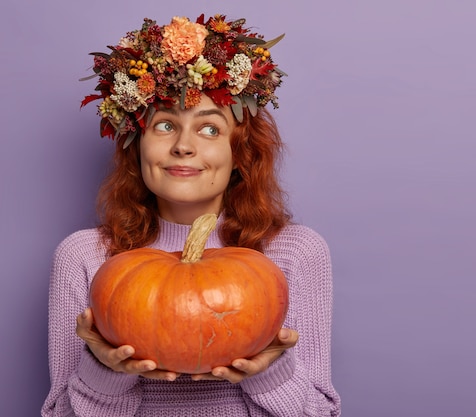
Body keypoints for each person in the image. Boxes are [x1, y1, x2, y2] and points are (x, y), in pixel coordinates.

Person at [41, 12, 341, 417]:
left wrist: (270, 369)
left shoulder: (295, 252)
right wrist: (103, 371)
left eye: (210, 129)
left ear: (240, 153)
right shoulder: (84, 257)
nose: (183, 146)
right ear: (137, 146)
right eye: (164, 125)